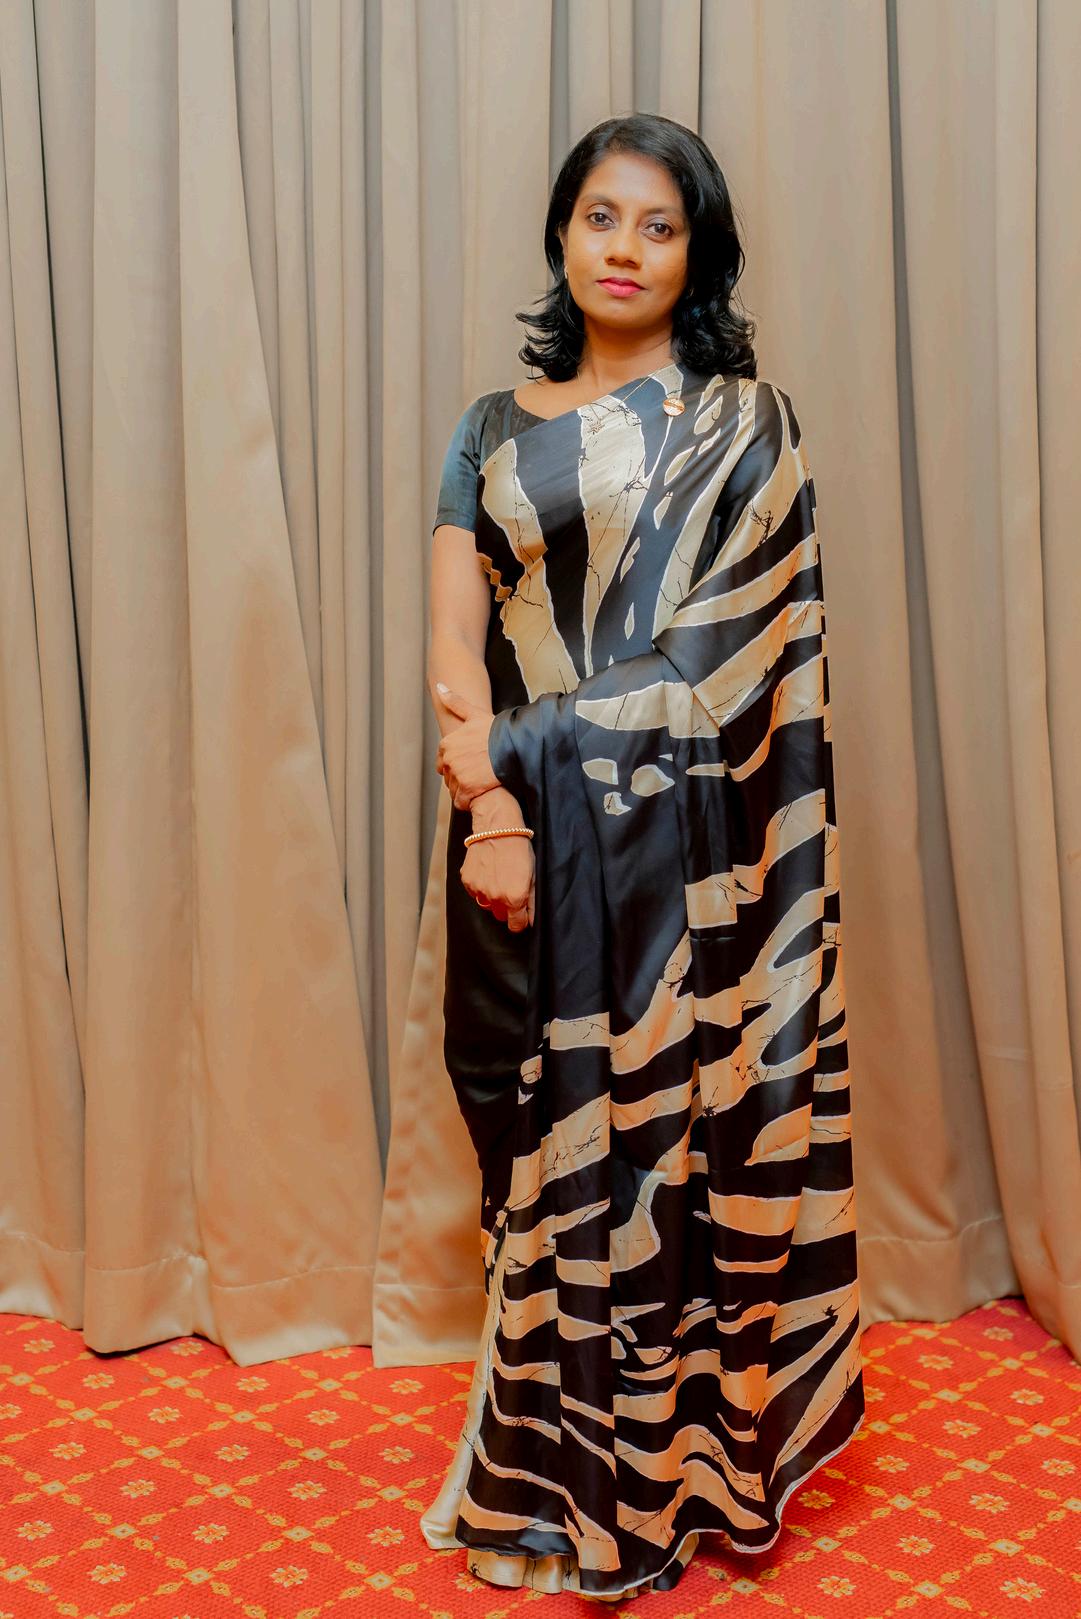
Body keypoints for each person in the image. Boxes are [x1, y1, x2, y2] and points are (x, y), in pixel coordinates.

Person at [419, 111, 865, 1602]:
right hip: (523, 837)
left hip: (690, 867)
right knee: (525, 1136)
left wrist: (516, 756)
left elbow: (732, 662)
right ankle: (547, 1459)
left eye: (658, 226)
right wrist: (494, 807)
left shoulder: (748, 426)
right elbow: (455, 646)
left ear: (697, 255)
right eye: (600, 216)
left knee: (671, 1164)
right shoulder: (491, 426)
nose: (623, 248)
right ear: (562, 233)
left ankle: (662, 1480)